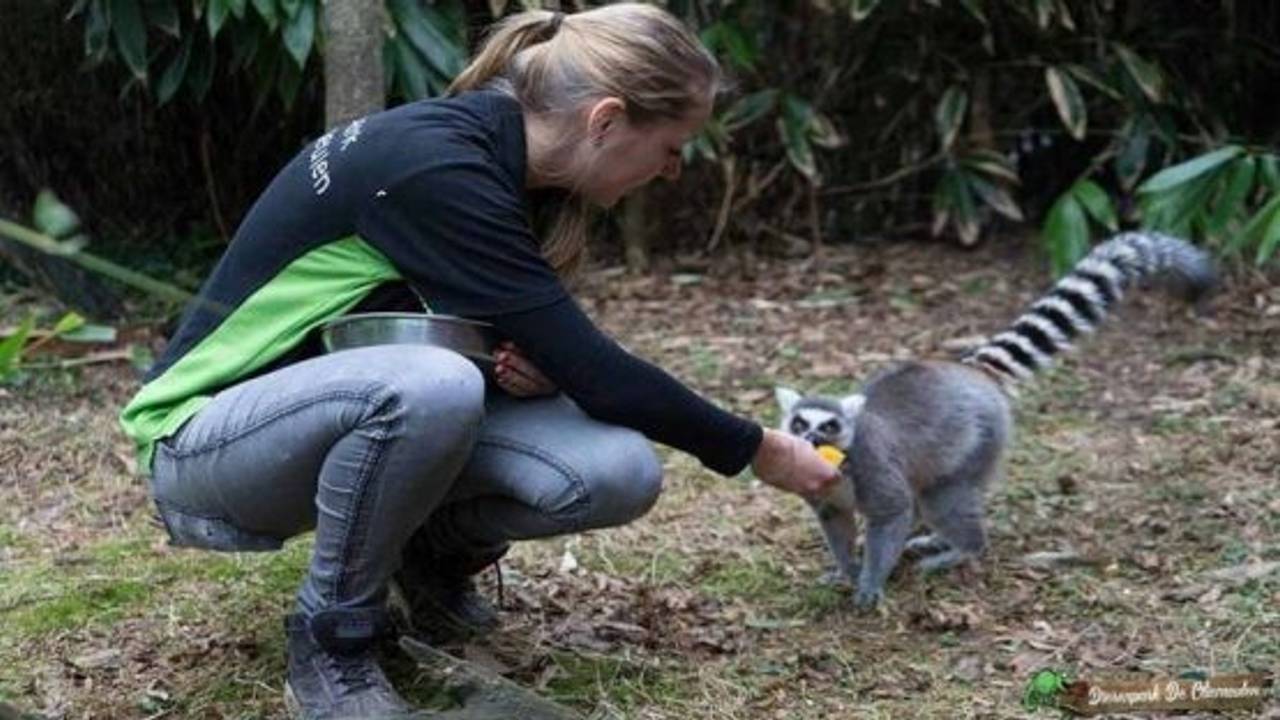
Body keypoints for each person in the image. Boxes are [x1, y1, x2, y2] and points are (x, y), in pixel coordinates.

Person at [119, 4, 839, 718]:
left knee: (617, 472)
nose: (674, 170)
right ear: (606, 120)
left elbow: (519, 348)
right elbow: (599, 373)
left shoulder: (505, 166)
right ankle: (333, 639)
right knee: (432, 389)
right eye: (673, 145)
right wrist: (760, 448)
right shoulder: (434, 167)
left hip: (318, 420)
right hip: (202, 442)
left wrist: (523, 366)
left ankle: (427, 557)